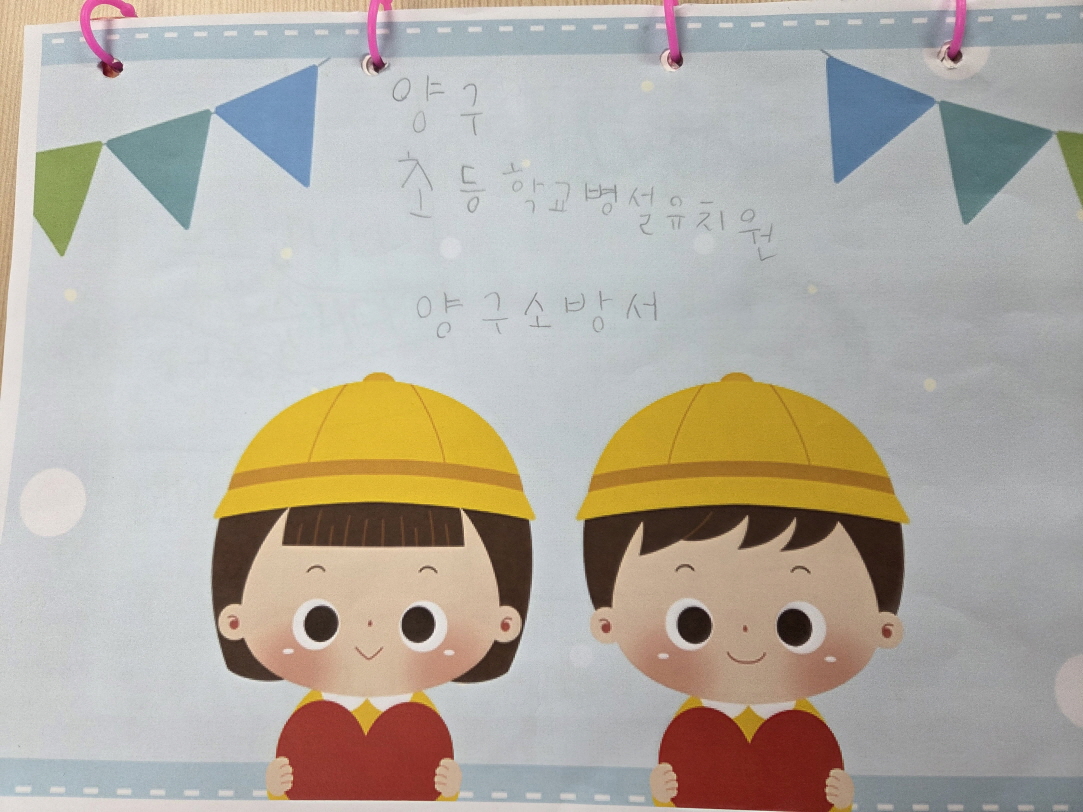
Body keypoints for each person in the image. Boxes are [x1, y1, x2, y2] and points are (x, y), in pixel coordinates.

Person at [580, 373, 907, 812]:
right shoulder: (692, 725)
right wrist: (662, 794)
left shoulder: (805, 729)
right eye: (691, 623)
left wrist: (841, 801)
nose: (747, 639)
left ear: (884, 627)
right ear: (607, 622)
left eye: (797, 625)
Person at [211, 373, 533, 801]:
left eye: (420, 622)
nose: (369, 638)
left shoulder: (421, 721)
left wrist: (448, 790)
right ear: (234, 619)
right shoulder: (311, 720)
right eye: (318, 622)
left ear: (505, 621)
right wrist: (278, 788)